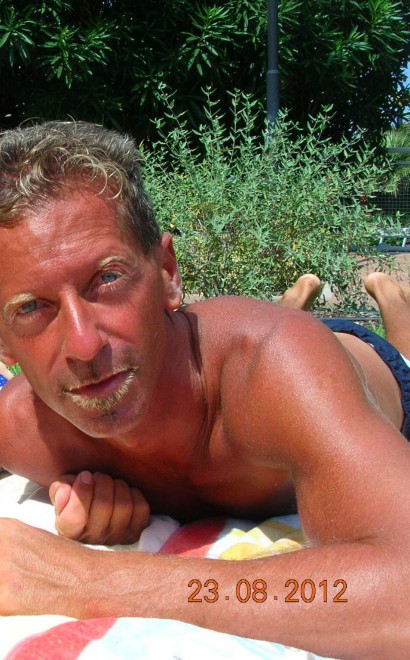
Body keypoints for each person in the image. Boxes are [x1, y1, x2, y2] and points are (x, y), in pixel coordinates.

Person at [0, 121, 408, 659]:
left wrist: (92, 579)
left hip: (365, 373)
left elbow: (401, 594)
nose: (82, 344)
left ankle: (393, 311)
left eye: (107, 278)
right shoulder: (20, 430)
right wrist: (79, 496)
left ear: (168, 274)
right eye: (32, 307)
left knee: (386, 354)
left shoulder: (275, 366)